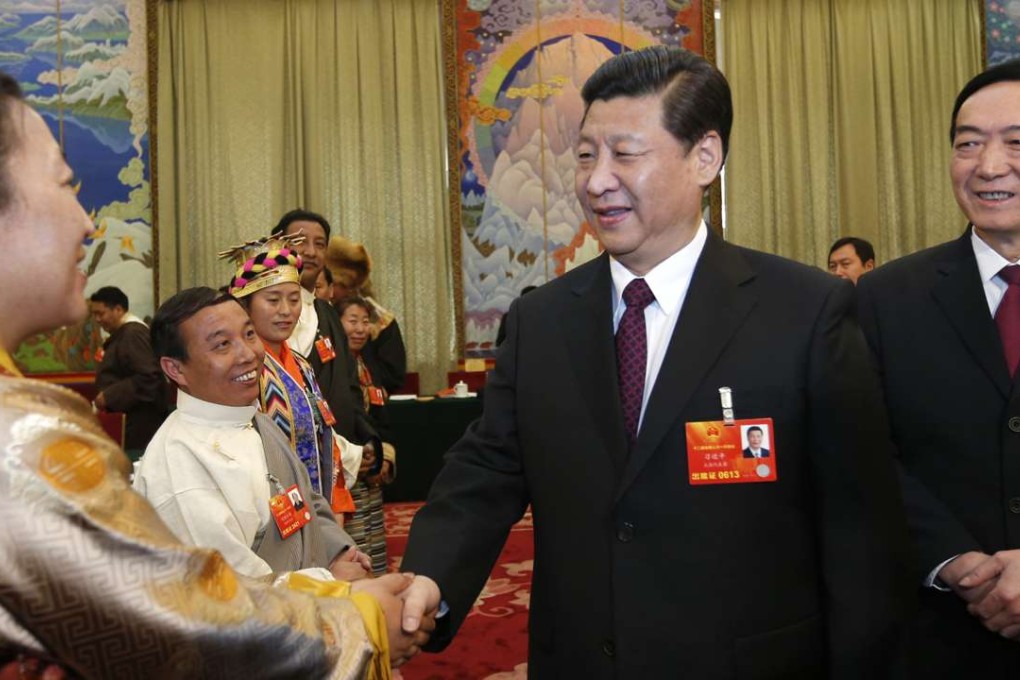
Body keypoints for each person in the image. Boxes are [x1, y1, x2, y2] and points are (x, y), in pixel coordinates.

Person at [398, 46, 913, 678]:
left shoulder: (805, 312)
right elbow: (486, 469)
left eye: (625, 154)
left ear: (705, 157)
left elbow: (859, 524)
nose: (595, 180)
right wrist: (429, 577)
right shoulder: (542, 321)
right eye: (586, 154)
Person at [0, 69, 424, 678]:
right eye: (66, 187)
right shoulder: (22, 440)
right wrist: (358, 619)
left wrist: (337, 556)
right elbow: (179, 609)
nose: (87, 223)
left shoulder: (267, 403)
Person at [856, 58, 1020, 677]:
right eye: (968, 144)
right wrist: (956, 562)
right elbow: (861, 450)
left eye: (1015, 142)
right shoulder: (882, 299)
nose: (989, 166)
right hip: (937, 633)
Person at [134, 286, 369, 581]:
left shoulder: (254, 418)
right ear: (175, 369)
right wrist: (332, 583)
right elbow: (234, 593)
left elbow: (304, 496)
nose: (248, 354)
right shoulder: (181, 467)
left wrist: (338, 552)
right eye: (222, 345)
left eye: (248, 334)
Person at [220, 234, 359, 520]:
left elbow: (325, 438)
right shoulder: (239, 370)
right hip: (267, 516)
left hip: (318, 512)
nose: (286, 311)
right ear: (244, 307)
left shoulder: (301, 365)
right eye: (273, 300)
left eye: (294, 300)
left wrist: (336, 508)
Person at [271, 210, 382, 475]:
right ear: (278, 245)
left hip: (334, 462)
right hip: (279, 460)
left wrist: (365, 438)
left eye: (319, 244)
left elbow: (348, 386)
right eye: (299, 241)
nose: (310, 251)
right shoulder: (256, 314)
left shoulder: (329, 313)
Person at [338, 295, 397, 576]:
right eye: (352, 321)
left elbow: (379, 412)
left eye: (365, 322)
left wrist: (384, 454)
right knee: (353, 551)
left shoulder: (366, 363)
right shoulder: (334, 368)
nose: (360, 329)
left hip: (372, 467)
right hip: (349, 470)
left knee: (374, 545)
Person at [89, 285, 168, 455]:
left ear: (118, 309)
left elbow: (149, 377)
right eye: (94, 314)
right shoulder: (124, 333)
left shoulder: (132, 333)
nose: (97, 319)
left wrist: (109, 396)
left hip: (139, 426)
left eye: (100, 313)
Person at [325, 235, 407, 394]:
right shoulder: (319, 314)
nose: (331, 291)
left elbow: (394, 376)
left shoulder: (381, 322)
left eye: (336, 284)